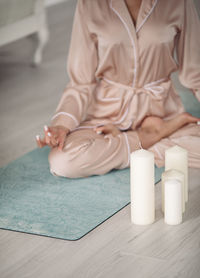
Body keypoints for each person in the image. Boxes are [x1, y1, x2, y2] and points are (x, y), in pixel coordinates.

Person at [36, 0, 200, 178]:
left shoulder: (179, 2)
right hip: (108, 116)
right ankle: (153, 135)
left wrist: (110, 147)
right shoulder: (89, 4)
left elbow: (195, 73)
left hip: (161, 111)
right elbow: (81, 81)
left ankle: (124, 144)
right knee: (63, 161)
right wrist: (62, 125)